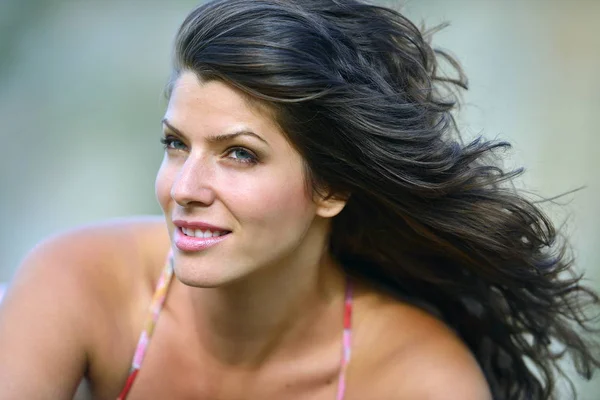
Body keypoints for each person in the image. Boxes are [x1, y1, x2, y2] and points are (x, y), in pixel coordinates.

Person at [0, 0, 598, 399]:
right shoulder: (78, 282)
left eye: (239, 153)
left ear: (331, 186)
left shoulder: (415, 377)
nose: (184, 188)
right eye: (177, 144)